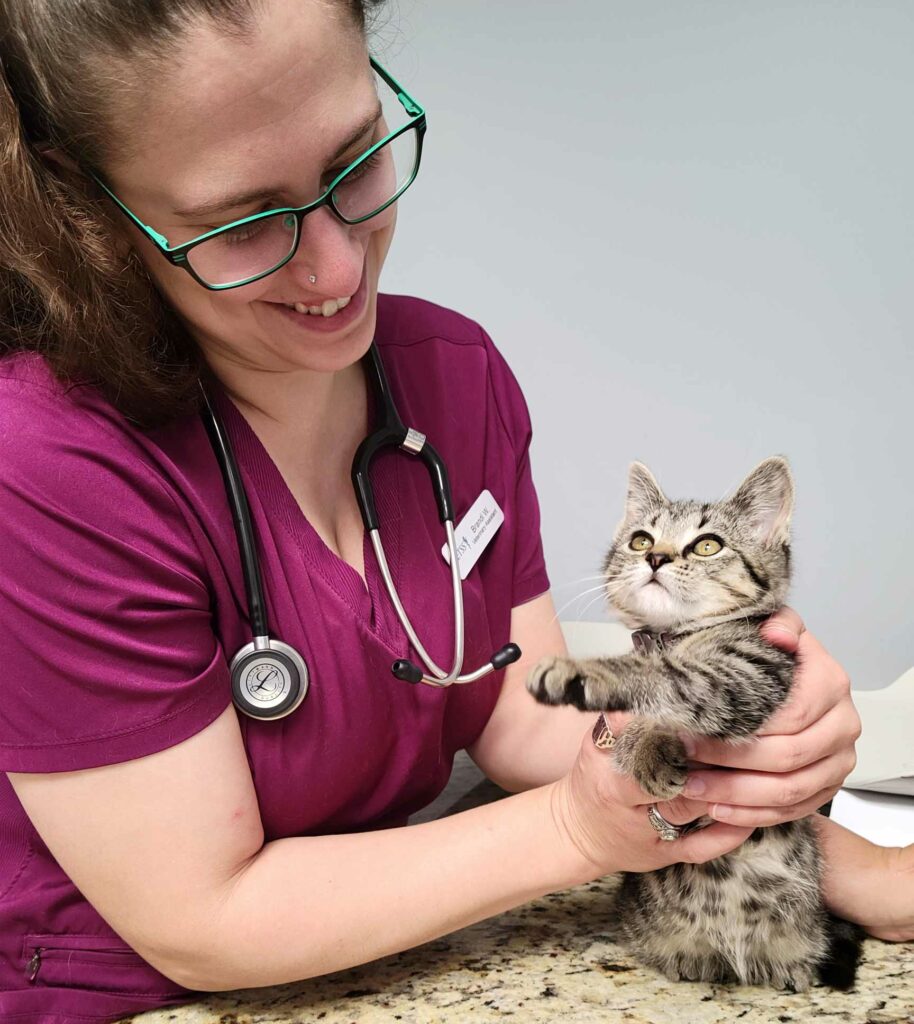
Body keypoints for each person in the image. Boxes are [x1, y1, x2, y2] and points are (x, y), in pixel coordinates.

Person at [0, 1, 909, 1022]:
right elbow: (200, 918)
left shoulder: (451, 376)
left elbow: (516, 711)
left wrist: (788, 798)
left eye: (355, 161)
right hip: (120, 993)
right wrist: (578, 829)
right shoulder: (45, 459)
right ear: (91, 215)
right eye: (244, 224)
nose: (340, 271)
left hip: (396, 964)